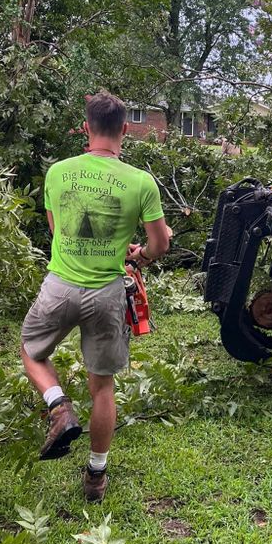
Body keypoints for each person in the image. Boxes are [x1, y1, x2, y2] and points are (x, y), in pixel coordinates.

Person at [20, 91, 171, 502]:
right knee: (102, 387)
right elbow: (159, 246)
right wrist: (137, 252)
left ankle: (58, 407)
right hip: (107, 294)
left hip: (59, 286)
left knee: (32, 353)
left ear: (86, 129)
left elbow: (59, 232)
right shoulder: (141, 182)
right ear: (125, 130)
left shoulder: (58, 172)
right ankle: (96, 476)